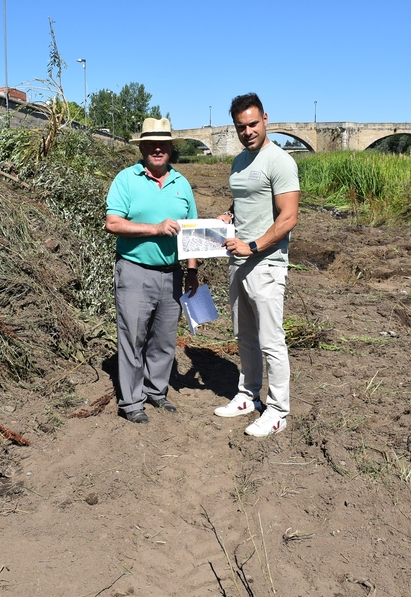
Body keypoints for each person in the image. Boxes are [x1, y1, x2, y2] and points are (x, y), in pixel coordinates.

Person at [214, 93, 300, 437]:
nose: (248, 131)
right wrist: (229, 214)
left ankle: (278, 410)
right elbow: (244, 199)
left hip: (266, 262)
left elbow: (289, 217)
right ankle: (249, 395)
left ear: (265, 119)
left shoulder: (279, 161)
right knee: (245, 335)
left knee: (271, 340)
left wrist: (251, 246)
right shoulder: (239, 161)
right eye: (241, 127)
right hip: (239, 262)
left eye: (253, 124)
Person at [105, 117, 199, 424]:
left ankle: (156, 391)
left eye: (163, 144)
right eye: (151, 144)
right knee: (133, 337)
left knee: (164, 339)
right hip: (134, 271)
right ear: (142, 147)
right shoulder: (126, 180)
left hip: (171, 273)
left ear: (171, 148)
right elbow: (113, 223)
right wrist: (155, 229)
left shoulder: (181, 184)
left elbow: (192, 232)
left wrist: (192, 271)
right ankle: (132, 402)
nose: (157, 149)